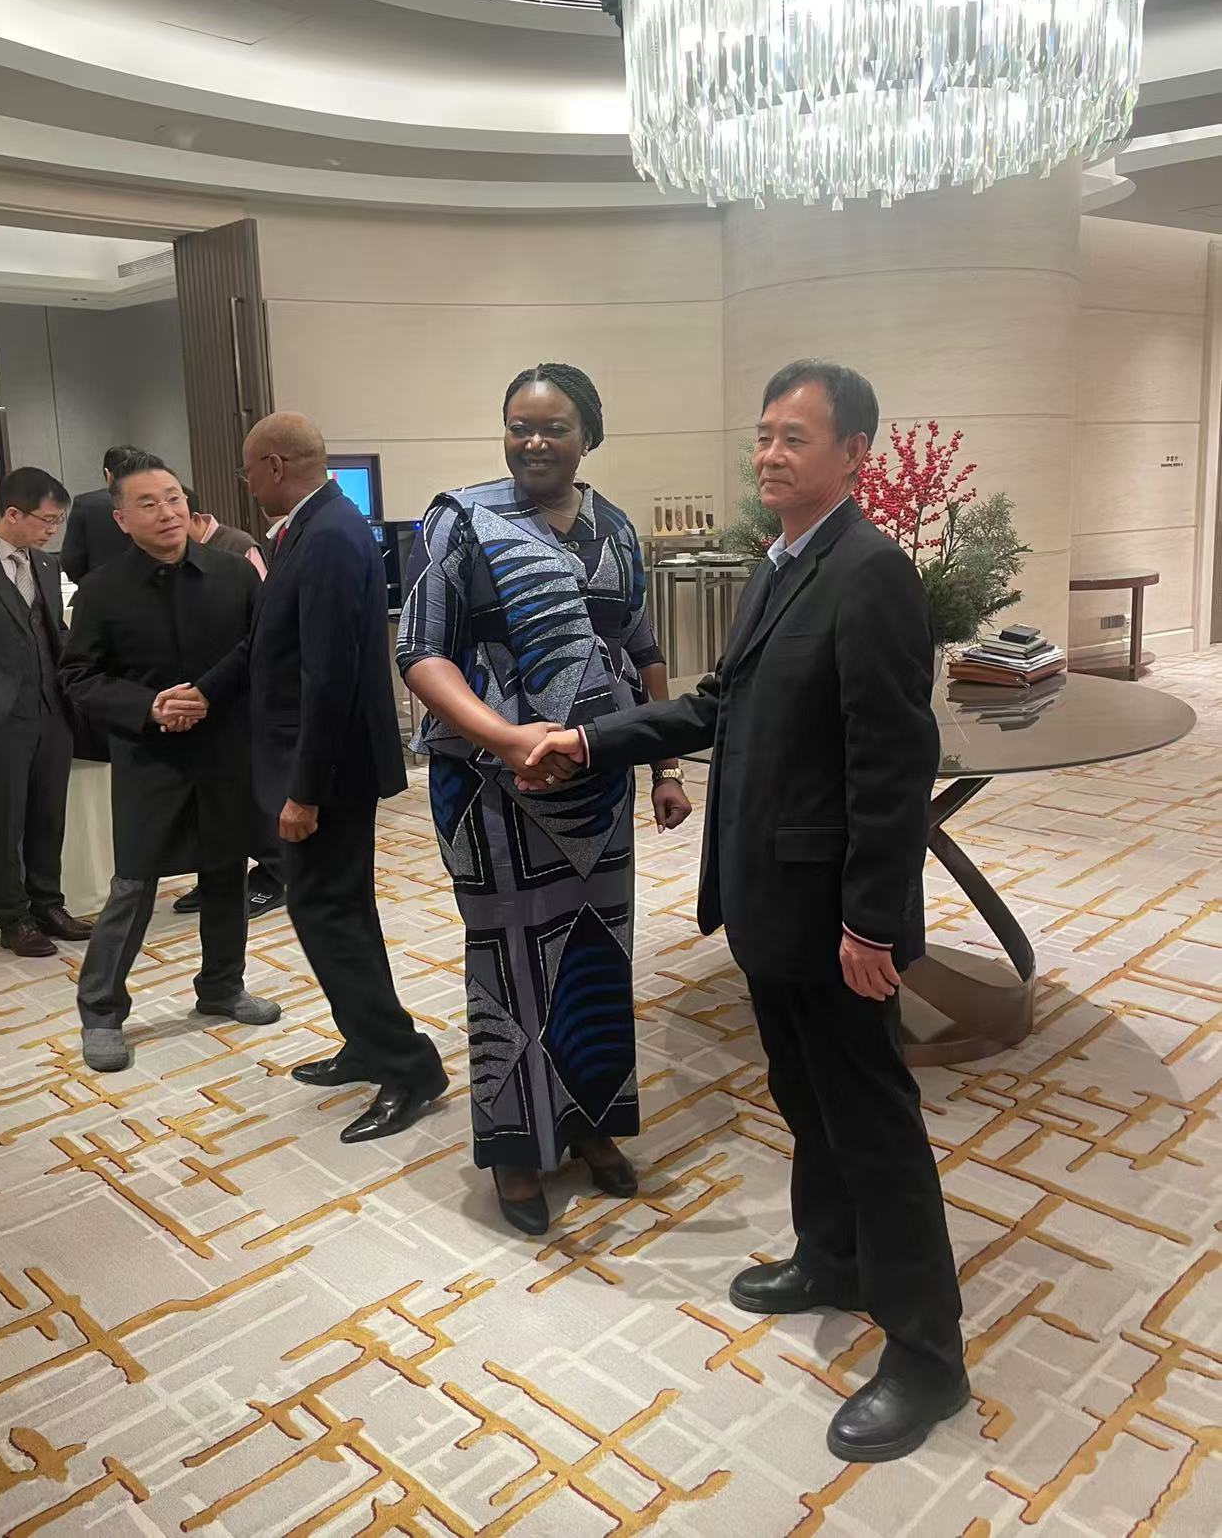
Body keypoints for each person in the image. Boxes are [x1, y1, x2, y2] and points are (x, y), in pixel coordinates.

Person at [521, 361, 967, 1462]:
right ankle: (832, 1258)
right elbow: (720, 703)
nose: (769, 455)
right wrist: (591, 739)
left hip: (835, 917)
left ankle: (928, 1356)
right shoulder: (781, 563)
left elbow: (892, 765)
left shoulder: (869, 572)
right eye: (763, 435)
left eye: (794, 438)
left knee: (874, 1123)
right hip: (771, 897)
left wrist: (871, 923)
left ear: (853, 454)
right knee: (804, 1094)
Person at [396, 363, 693, 1235]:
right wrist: (505, 737)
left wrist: (665, 766)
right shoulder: (460, 519)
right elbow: (421, 652)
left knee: (595, 951)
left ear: (588, 436)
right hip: (493, 786)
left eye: (554, 427)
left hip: (597, 785)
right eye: (519, 425)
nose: (533, 441)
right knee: (509, 961)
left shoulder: (616, 529)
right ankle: (517, 1150)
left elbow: (642, 649)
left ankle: (591, 1119)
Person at [172, 413, 446, 1144]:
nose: (245, 484)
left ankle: (409, 1067)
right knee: (338, 914)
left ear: (275, 464)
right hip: (319, 764)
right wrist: (206, 690)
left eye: (247, 470)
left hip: (327, 773)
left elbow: (328, 678)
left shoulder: (328, 536)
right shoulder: (310, 529)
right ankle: (367, 1042)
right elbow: (267, 642)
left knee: (329, 916)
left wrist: (306, 791)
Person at [60, 453, 281, 1072]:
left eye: (174, 499)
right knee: (134, 884)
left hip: (224, 749)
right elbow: (78, 677)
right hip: (148, 756)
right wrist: (150, 706)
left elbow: (262, 648)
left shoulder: (233, 574)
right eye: (149, 504)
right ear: (122, 519)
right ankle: (101, 1011)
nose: (166, 512)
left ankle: (222, 986)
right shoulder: (102, 589)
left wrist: (208, 693)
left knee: (225, 871)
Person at [0, 467, 93, 956]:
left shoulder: (46, 565)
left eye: (58, 521)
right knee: (5, 820)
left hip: (52, 708)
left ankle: (48, 904)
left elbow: (52, 632)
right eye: (47, 520)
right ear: (12, 513)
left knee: (49, 813)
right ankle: (13, 917)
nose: (53, 531)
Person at [171, 488, 285, 921]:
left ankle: (274, 877)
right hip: (205, 694)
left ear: (194, 515)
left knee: (256, 794)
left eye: (173, 509)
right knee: (216, 798)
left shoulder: (239, 548)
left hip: (241, 689)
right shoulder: (181, 559)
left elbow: (263, 626)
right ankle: (218, 877)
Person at [61, 445, 142, 582]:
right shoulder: (161, 503)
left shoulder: (86, 504)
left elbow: (71, 562)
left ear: (108, 474)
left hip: (100, 588)